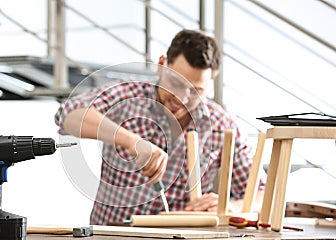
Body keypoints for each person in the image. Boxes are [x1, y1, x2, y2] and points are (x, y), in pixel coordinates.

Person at [55, 29, 265, 225]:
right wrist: (131, 140)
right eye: (176, 82)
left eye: (196, 91)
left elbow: (264, 193)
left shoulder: (221, 124)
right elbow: (68, 114)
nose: (182, 98)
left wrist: (230, 206)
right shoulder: (128, 95)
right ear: (162, 64)